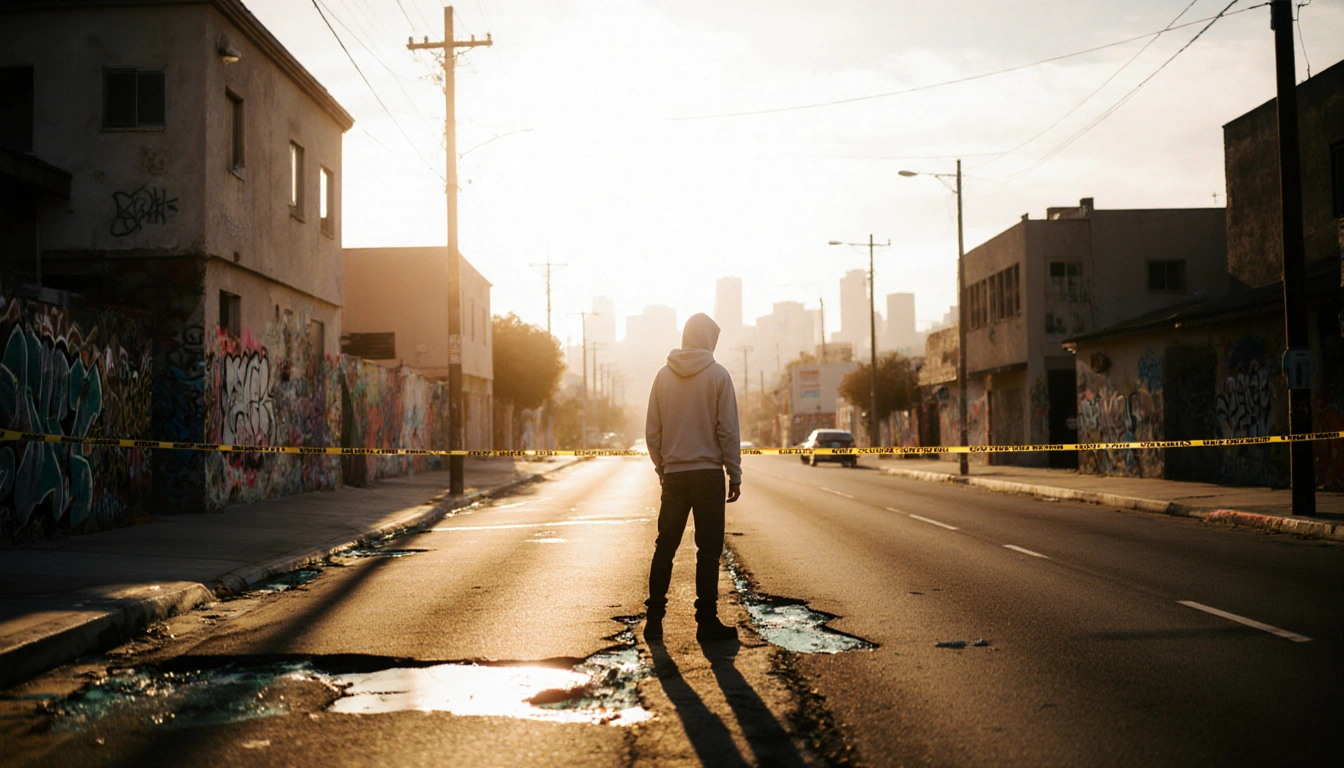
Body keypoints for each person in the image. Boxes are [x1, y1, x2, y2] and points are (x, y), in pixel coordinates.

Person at [643, 312, 742, 643]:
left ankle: (654, 620)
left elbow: (652, 432)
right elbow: (727, 429)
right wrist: (734, 472)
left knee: (665, 547)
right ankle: (706, 622)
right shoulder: (718, 375)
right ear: (707, 339)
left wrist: (663, 467)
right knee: (709, 550)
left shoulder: (662, 376)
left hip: (674, 476)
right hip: (708, 476)